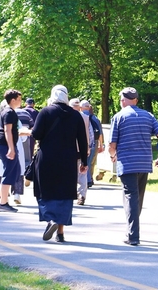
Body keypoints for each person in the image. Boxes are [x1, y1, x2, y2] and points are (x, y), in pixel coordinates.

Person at [109, 87, 158, 246]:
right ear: (136, 100)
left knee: (130, 197)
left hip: (127, 163)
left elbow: (112, 144)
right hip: (143, 163)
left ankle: (133, 236)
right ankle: (132, 229)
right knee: (138, 197)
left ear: (123, 100)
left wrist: (112, 155)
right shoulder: (148, 115)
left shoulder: (118, 117)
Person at [31, 85, 88, 243]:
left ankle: (51, 220)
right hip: (68, 159)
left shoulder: (45, 112)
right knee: (65, 193)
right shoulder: (75, 115)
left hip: (47, 158)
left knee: (45, 189)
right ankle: (60, 233)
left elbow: (36, 134)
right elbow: (82, 140)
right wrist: (84, 161)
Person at [0, 89, 23, 213]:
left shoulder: (10, 112)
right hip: (5, 146)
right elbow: (7, 131)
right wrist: (11, 148)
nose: (21, 101)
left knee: (15, 171)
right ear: (13, 100)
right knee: (9, 172)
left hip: (7, 145)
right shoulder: (9, 112)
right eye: (19, 99)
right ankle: (3, 203)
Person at [70, 98, 91, 206]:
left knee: (71, 172)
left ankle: (71, 194)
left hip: (71, 149)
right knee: (82, 173)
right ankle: (81, 195)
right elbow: (88, 133)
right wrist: (88, 147)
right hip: (82, 148)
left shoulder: (68, 117)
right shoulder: (85, 117)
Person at [80, 100, 104, 189]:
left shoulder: (80, 117)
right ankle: (89, 179)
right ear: (89, 107)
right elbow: (100, 133)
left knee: (84, 162)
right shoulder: (95, 118)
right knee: (90, 162)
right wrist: (101, 145)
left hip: (83, 142)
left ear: (81, 108)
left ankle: (88, 180)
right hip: (95, 142)